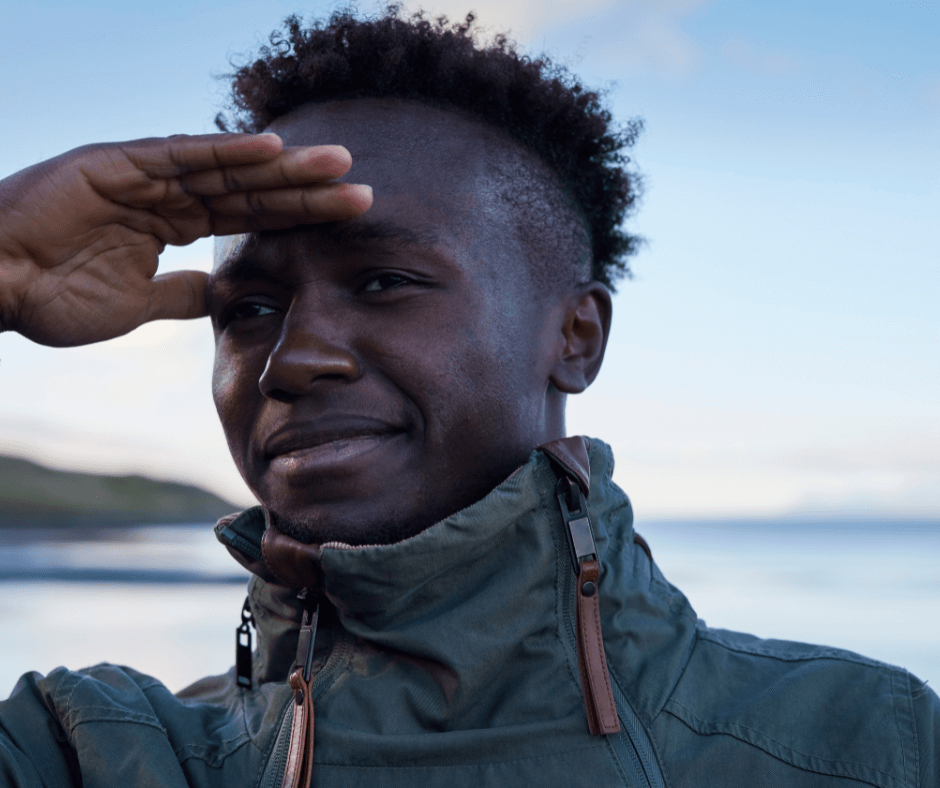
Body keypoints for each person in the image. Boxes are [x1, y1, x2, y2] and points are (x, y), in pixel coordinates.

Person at [0, 6, 936, 787]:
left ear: (576, 338)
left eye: (383, 283)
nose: (290, 360)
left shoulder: (861, 741)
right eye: (248, 306)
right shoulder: (97, 751)